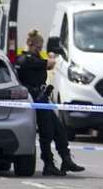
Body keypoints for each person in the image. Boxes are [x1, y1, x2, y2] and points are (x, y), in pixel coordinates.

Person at [16, 30, 83, 175]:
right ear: (29, 44)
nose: (40, 50)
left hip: (42, 99)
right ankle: (48, 164)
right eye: (38, 47)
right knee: (46, 133)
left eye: (41, 48)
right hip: (34, 100)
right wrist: (52, 56)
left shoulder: (34, 57)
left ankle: (66, 160)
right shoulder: (25, 59)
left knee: (59, 129)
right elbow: (50, 64)